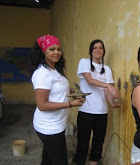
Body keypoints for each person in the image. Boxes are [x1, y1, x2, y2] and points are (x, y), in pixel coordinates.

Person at [30, 34, 85, 165]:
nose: (57, 52)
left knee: (48, 159)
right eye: (52, 49)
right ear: (44, 51)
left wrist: (70, 91)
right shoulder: (43, 73)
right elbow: (42, 105)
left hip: (56, 125)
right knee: (60, 161)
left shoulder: (54, 70)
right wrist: (71, 104)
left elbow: (56, 88)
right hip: (48, 127)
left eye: (59, 49)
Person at [73, 39, 118, 165]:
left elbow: (107, 92)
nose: (98, 50)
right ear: (91, 51)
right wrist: (108, 86)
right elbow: (90, 81)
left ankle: (93, 163)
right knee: (83, 141)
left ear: (103, 51)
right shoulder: (84, 62)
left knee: (99, 141)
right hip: (86, 110)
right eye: (95, 48)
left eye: (100, 48)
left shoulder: (107, 69)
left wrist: (112, 102)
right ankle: (79, 162)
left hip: (102, 111)